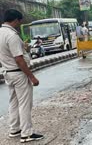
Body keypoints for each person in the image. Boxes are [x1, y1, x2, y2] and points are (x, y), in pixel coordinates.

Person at [0, 9, 44, 143]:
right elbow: (19, 60)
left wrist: (23, 48)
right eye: (19, 21)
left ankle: (15, 129)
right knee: (25, 104)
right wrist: (32, 77)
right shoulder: (12, 35)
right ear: (15, 20)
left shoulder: (1, 33)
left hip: (8, 72)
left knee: (13, 102)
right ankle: (27, 134)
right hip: (18, 74)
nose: (20, 24)